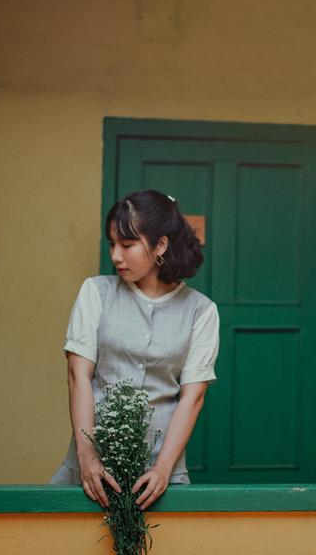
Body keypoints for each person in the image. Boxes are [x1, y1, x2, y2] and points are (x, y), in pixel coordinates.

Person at [50, 189, 218, 511]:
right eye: (112, 244)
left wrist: (163, 469)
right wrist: (88, 458)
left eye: (127, 245)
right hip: (91, 472)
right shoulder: (95, 292)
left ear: (161, 246)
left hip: (159, 477)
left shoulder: (201, 311)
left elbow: (192, 396)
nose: (115, 256)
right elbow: (78, 377)